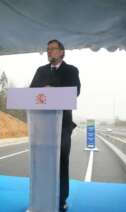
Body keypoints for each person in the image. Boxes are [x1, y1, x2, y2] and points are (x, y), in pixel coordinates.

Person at [30, 39, 81, 211]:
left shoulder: (71, 70)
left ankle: (61, 200)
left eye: (53, 49)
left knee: (61, 163)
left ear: (62, 52)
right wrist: (42, 90)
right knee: (42, 163)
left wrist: (52, 89)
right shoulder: (41, 70)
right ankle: (41, 198)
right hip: (42, 126)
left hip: (63, 125)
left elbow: (75, 92)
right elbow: (32, 92)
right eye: (48, 49)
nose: (49, 52)